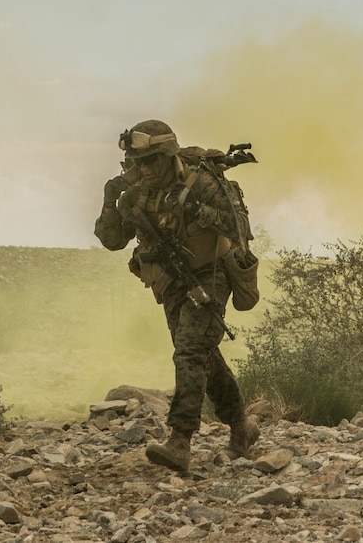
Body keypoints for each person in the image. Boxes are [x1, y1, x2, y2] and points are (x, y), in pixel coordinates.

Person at [94, 119, 259, 471]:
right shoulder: (138, 191)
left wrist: (195, 208)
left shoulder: (201, 181)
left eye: (152, 161)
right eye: (139, 162)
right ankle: (241, 428)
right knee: (203, 357)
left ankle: (180, 441)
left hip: (211, 274)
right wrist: (110, 198)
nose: (146, 169)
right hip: (171, 283)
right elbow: (112, 240)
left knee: (189, 351)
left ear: (169, 155)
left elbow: (238, 227)